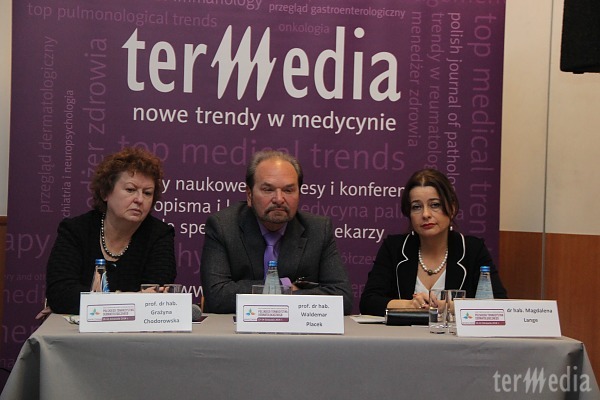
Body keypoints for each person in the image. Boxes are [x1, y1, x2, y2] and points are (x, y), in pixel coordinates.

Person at [200, 150, 353, 314]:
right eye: (268, 189)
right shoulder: (223, 226)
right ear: (249, 195)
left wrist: (267, 294)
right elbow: (217, 296)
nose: (279, 199)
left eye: (288, 190)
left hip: (298, 328)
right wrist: (285, 287)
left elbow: (342, 298)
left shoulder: (318, 229)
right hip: (234, 328)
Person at [43, 147, 177, 315]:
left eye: (147, 193)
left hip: (137, 331)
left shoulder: (160, 235)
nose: (139, 199)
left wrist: (93, 302)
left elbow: (155, 300)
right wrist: (132, 298)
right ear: (105, 192)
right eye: (130, 190)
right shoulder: (76, 230)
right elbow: (60, 294)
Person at [359, 168, 507, 316]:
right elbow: (368, 302)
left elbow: (499, 304)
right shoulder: (394, 248)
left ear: (452, 208)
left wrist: (450, 306)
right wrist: (409, 305)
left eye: (435, 205)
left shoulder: (472, 249)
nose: (425, 214)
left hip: (453, 332)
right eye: (416, 207)